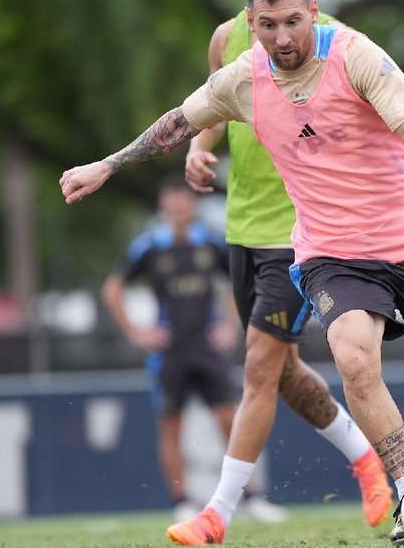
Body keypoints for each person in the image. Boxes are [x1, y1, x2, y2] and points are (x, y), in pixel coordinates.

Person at [59, 0, 404, 547]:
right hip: (330, 251)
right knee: (353, 357)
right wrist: (108, 164)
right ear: (251, 21)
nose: (282, 37)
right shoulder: (241, 78)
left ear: (314, 12)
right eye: (269, 25)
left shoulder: (356, 55)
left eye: (293, 22)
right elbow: (177, 123)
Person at [175, 0, 393, 540]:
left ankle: (216, 513)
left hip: (298, 235)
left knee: (258, 366)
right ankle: (366, 460)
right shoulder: (227, 39)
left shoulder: (343, 47)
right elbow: (217, 101)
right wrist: (200, 147)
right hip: (241, 228)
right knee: (286, 375)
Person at [102, 177, 285, 523]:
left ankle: (254, 497)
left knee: (231, 421)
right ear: (163, 209)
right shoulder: (150, 247)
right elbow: (113, 289)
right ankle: (181, 501)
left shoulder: (211, 243)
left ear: (192, 206)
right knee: (171, 426)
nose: (178, 211)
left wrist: (230, 323)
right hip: (169, 352)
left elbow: (239, 281)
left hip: (207, 348)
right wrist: (136, 333)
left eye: (184, 205)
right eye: (172, 206)